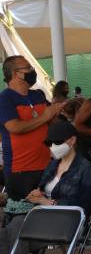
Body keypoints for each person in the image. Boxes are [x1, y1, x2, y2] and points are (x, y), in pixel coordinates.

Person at [0, 121, 91, 254]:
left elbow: (83, 206)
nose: (52, 147)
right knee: (8, 231)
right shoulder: (52, 165)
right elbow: (42, 191)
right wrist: (37, 194)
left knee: (14, 231)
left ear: (72, 140)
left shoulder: (86, 169)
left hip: (68, 220)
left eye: (56, 142)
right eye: (48, 143)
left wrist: (46, 202)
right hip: (43, 216)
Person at [0, 56, 63, 214]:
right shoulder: (5, 98)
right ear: (16, 74)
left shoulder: (38, 95)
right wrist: (45, 117)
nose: (32, 71)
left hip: (47, 165)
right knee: (23, 216)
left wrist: (57, 111)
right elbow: (14, 127)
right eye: (28, 68)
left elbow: (51, 121)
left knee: (49, 212)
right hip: (21, 169)